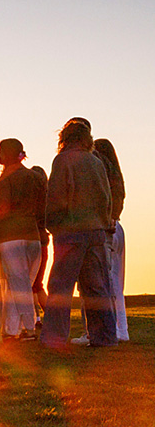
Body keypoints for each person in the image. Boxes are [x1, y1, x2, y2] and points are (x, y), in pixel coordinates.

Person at [40, 119, 116, 348]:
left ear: (65, 138)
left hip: (70, 232)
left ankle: (54, 339)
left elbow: (57, 197)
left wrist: (52, 224)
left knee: (61, 289)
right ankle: (105, 337)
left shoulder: (63, 160)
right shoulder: (96, 161)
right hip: (95, 231)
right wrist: (103, 223)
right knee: (97, 289)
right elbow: (106, 197)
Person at [0, 139, 46, 341]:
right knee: (23, 284)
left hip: (11, 236)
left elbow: (2, 209)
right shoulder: (35, 178)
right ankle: (13, 328)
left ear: (6, 154)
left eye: (0, 151)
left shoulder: (6, 178)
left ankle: (30, 328)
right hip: (33, 235)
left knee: (18, 284)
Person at [92, 138, 127, 342]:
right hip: (118, 227)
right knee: (116, 285)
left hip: (106, 228)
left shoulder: (100, 171)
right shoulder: (117, 178)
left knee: (104, 283)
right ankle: (122, 330)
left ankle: (112, 331)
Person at [30, 165, 51, 325]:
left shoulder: (31, 199)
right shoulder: (48, 199)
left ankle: (44, 316)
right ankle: (39, 318)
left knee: (32, 284)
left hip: (33, 240)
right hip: (43, 241)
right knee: (36, 284)